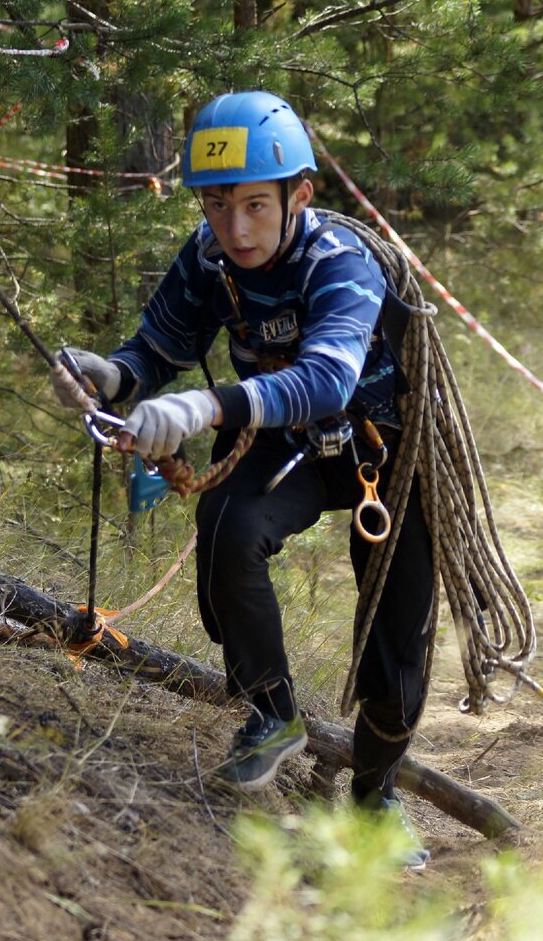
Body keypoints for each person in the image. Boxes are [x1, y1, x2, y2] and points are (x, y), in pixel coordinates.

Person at [52, 91, 434, 869]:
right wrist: (111, 375)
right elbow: (157, 345)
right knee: (225, 528)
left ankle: (374, 799)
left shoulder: (342, 262)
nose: (236, 229)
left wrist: (202, 405)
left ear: (300, 194)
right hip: (275, 440)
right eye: (217, 205)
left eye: (257, 205)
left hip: (378, 451)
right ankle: (272, 715)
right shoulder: (208, 258)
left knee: (400, 642)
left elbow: (327, 379)